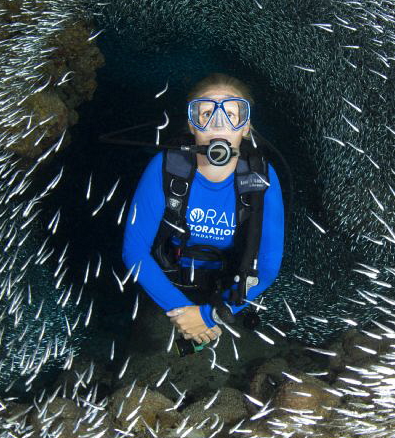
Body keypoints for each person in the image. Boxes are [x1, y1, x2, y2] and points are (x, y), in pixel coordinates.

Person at [122, 73, 285, 347]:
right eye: (206, 112)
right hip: (168, 284)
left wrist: (210, 316)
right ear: (192, 124)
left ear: (245, 128)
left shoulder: (262, 177)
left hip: (227, 293)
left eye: (232, 114)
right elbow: (134, 251)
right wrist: (183, 313)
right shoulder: (165, 168)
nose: (218, 123)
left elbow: (268, 266)